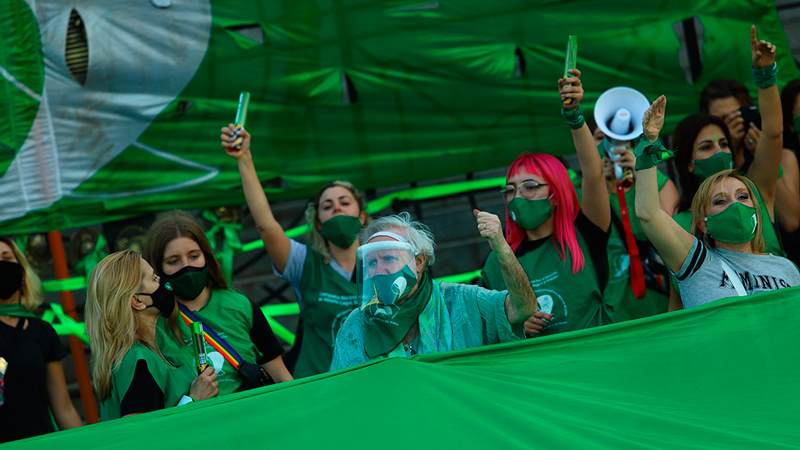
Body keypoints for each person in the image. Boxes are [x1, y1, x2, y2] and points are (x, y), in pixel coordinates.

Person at [221, 124, 370, 378]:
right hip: (320, 384)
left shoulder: (384, 263)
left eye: (345, 203)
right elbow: (266, 227)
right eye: (328, 206)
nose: (337, 209)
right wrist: (244, 158)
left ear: (362, 216)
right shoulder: (304, 263)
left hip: (374, 380)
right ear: (318, 224)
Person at [635, 96, 800, 306]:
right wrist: (649, 143)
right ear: (702, 223)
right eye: (720, 201)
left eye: (743, 196)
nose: (735, 205)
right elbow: (649, 214)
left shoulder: (788, 269)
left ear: (756, 210)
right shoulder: (694, 261)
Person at [481, 68, 611, 335]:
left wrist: (575, 117)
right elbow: (486, 328)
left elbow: (594, 173)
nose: (518, 197)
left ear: (556, 194)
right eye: (510, 190)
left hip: (598, 362)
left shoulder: (586, 234)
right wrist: (513, 321)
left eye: (530, 187)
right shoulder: (498, 262)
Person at [330, 212, 546, 370]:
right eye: (371, 263)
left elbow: (524, 309)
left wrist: (502, 249)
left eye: (388, 258)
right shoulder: (356, 324)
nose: (379, 270)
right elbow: (343, 394)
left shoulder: (461, 299)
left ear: (419, 261)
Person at [668, 26, 788, 308]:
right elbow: (677, 300)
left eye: (723, 143)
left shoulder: (755, 188)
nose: (719, 152)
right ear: (688, 162)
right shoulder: (677, 225)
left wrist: (765, 75)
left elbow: (773, 133)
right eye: (706, 147)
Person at [145, 211, 292, 394]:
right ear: (157, 270)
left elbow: (282, 378)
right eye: (173, 261)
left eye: (194, 256)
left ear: (207, 257)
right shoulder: (154, 324)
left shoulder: (241, 306)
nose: (186, 266)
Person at [84, 250, 219, 421]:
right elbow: (141, 436)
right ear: (138, 301)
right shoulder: (138, 361)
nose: (164, 283)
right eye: (154, 278)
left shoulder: (139, 355)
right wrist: (195, 399)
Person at [0, 237, 82, 442]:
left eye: (6, 257)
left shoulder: (42, 331)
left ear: (22, 270)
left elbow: (63, 408)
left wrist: (85, 443)